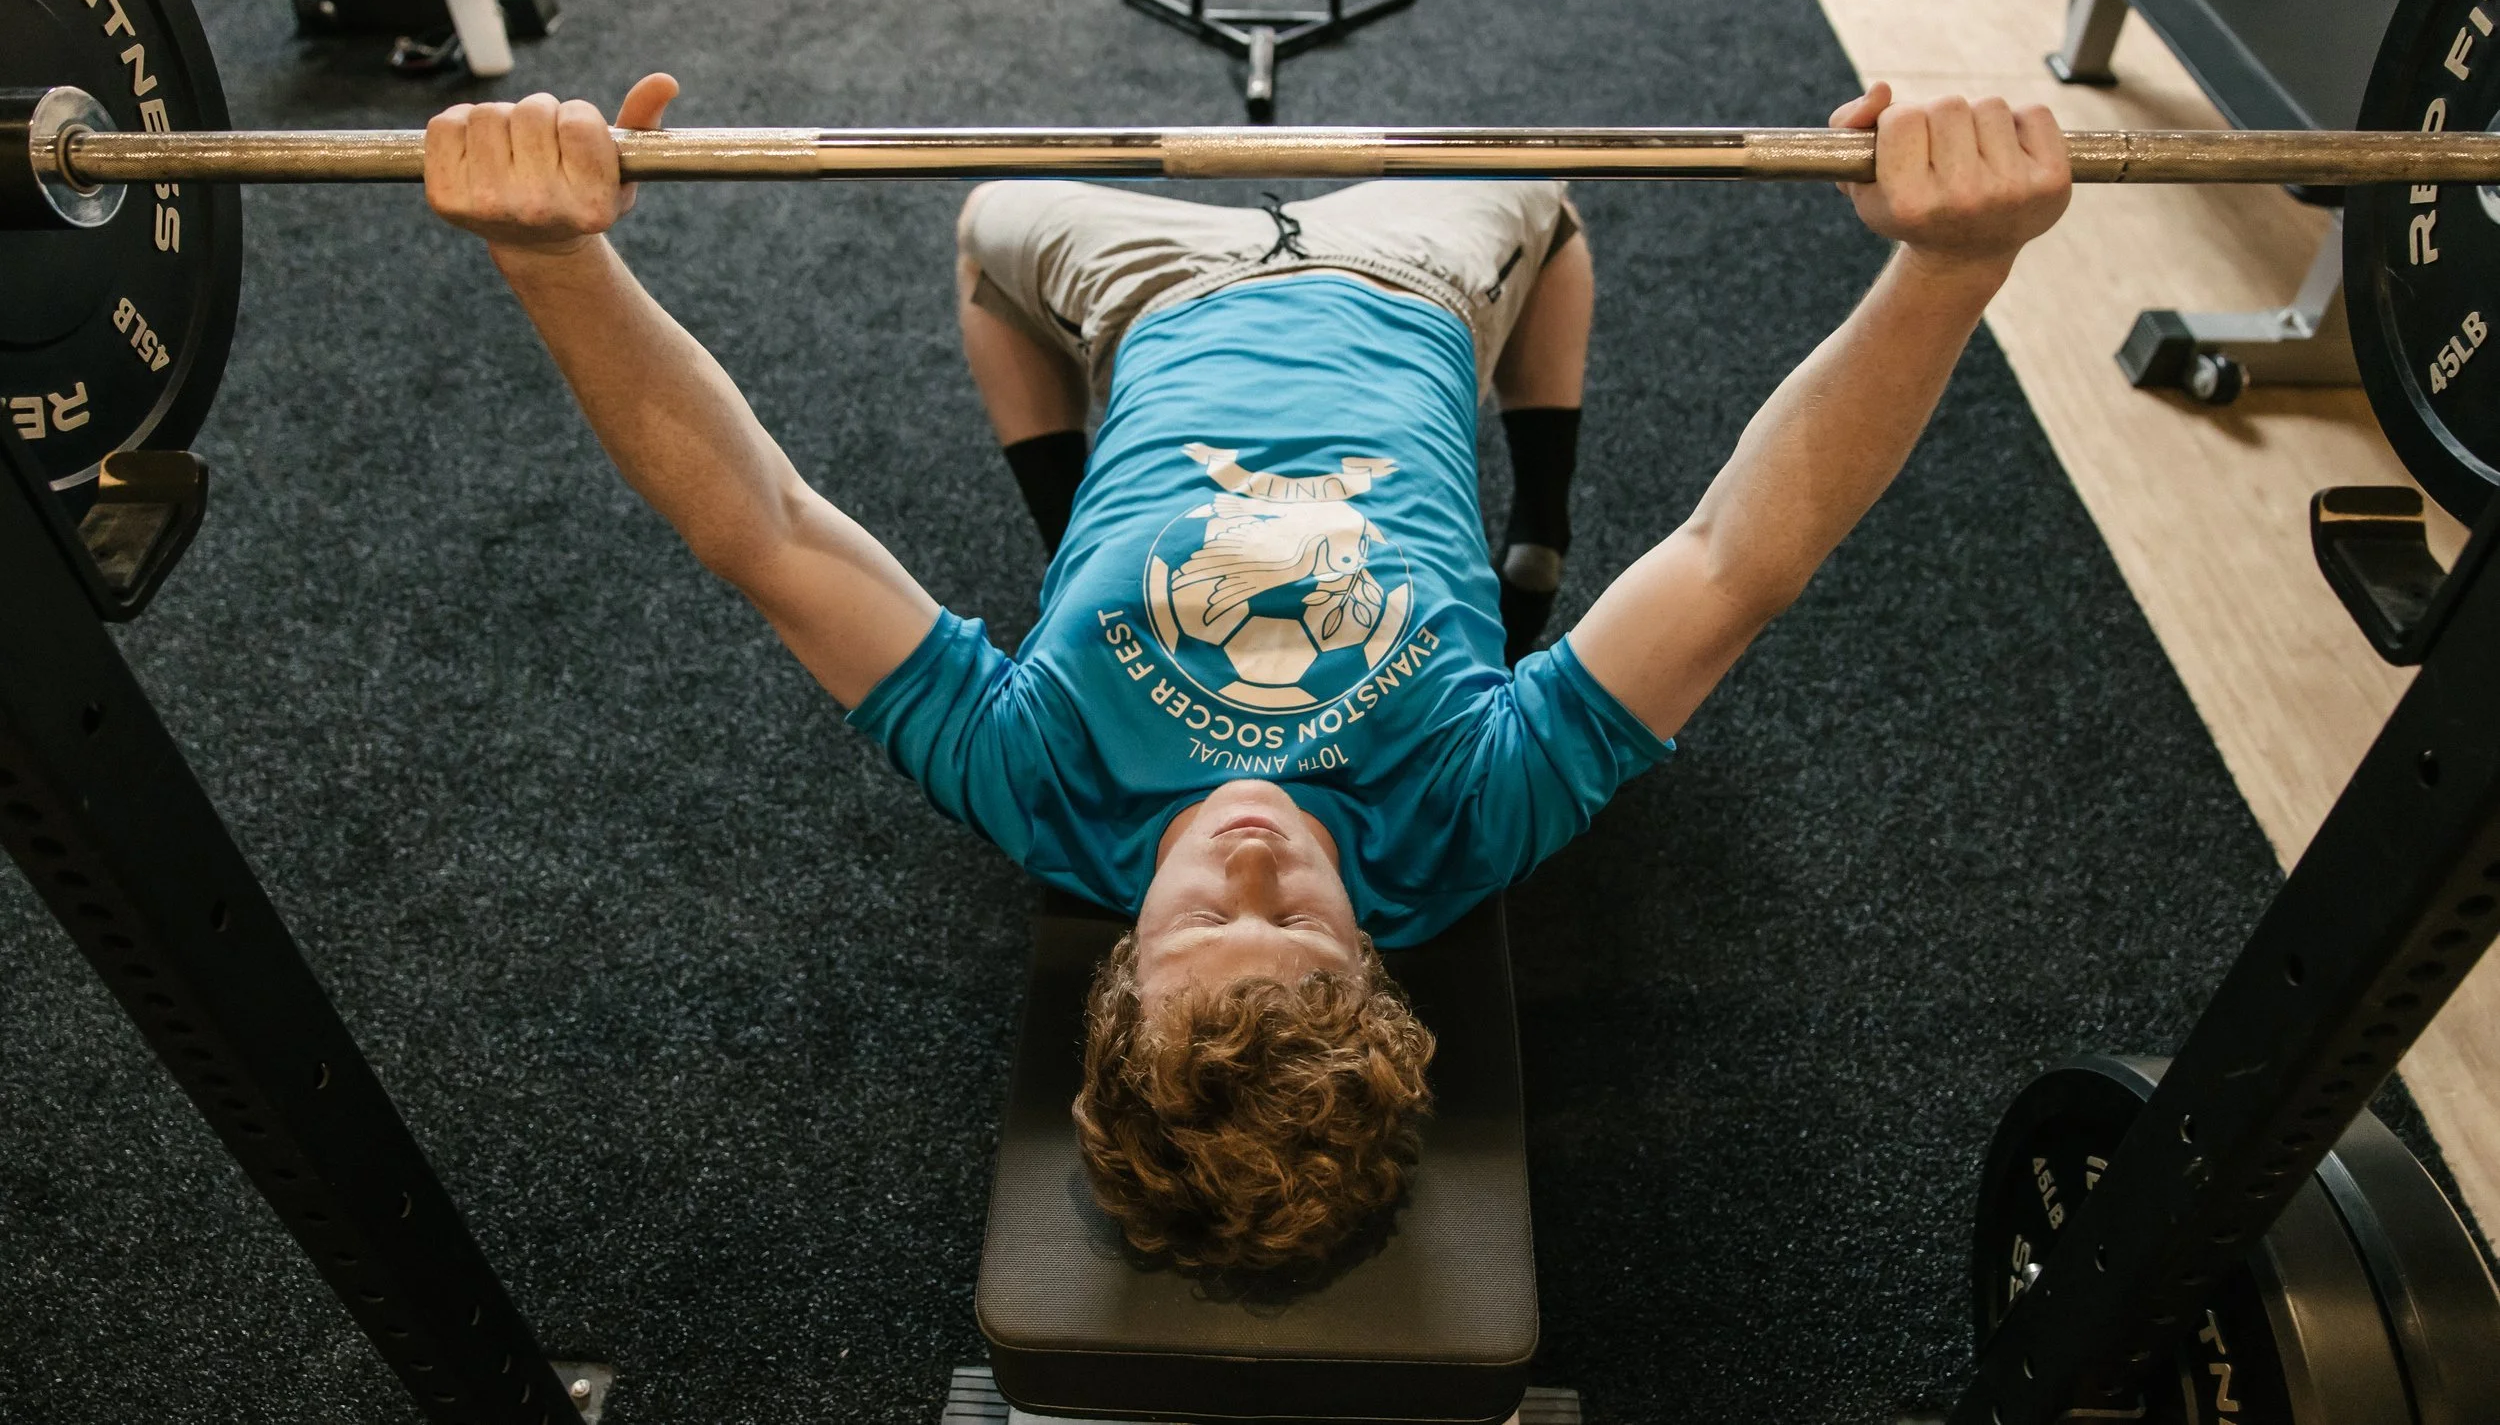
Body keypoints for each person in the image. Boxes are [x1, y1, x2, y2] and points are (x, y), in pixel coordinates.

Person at [422, 77, 2072, 1274]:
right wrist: (1951, 269)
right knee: (1556, 197)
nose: (1260, 856)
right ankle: (1542, 525)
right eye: (1308, 924)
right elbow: (1733, 562)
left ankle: (1075, 526)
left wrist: (555, 263)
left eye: (1212, 918)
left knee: (982, 231)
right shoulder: (1466, 818)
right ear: (1380, 964)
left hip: (1146, 289)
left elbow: (768, 533)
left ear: (1120, 967)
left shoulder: (1039, 786)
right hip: (1412, 274)